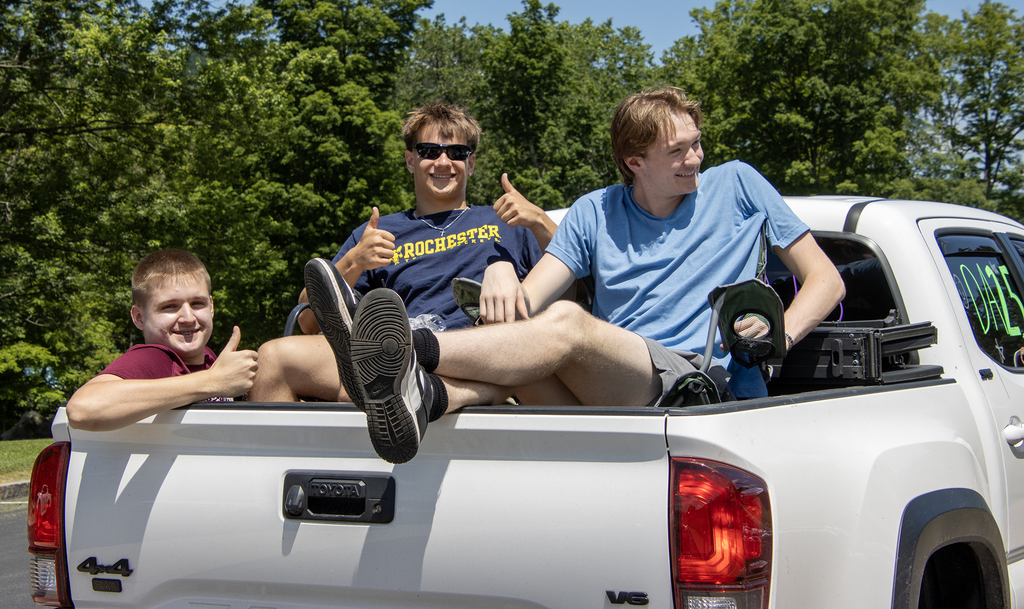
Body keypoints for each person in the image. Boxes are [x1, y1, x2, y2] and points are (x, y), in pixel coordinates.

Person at [305, 86, 847, 464]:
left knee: (565, 322)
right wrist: (499, 272)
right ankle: (427, 396)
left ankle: (400, 353)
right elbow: (529, 301)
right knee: (511, 346)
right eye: (677, 151)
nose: (696, 159)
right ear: (634, 161)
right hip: (604, 395)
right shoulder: (594, 210)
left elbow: (826, 281)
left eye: (696, 143)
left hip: (689, 382)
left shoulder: (739, 185)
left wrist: (779, 336)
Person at [248, 101, 555, 402]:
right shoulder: (377, 232)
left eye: (457, 153)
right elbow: (307, 320)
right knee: (274, 358)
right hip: (393, 351)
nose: (444, 162)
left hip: (481, 353)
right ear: (411, 160)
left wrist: (541, 221)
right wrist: (355, 261)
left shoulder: (510, 221)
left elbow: (580, 287)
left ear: (471, 163)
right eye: (429, 152)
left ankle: (394, 387)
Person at [66, 249, 258, 431]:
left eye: (197, 303)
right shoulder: (156, 358)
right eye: (170, 306)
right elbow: (82, 409)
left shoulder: (209, 357)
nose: (188, 318)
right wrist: (213, 381)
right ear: (139, 317)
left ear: (211, 307)